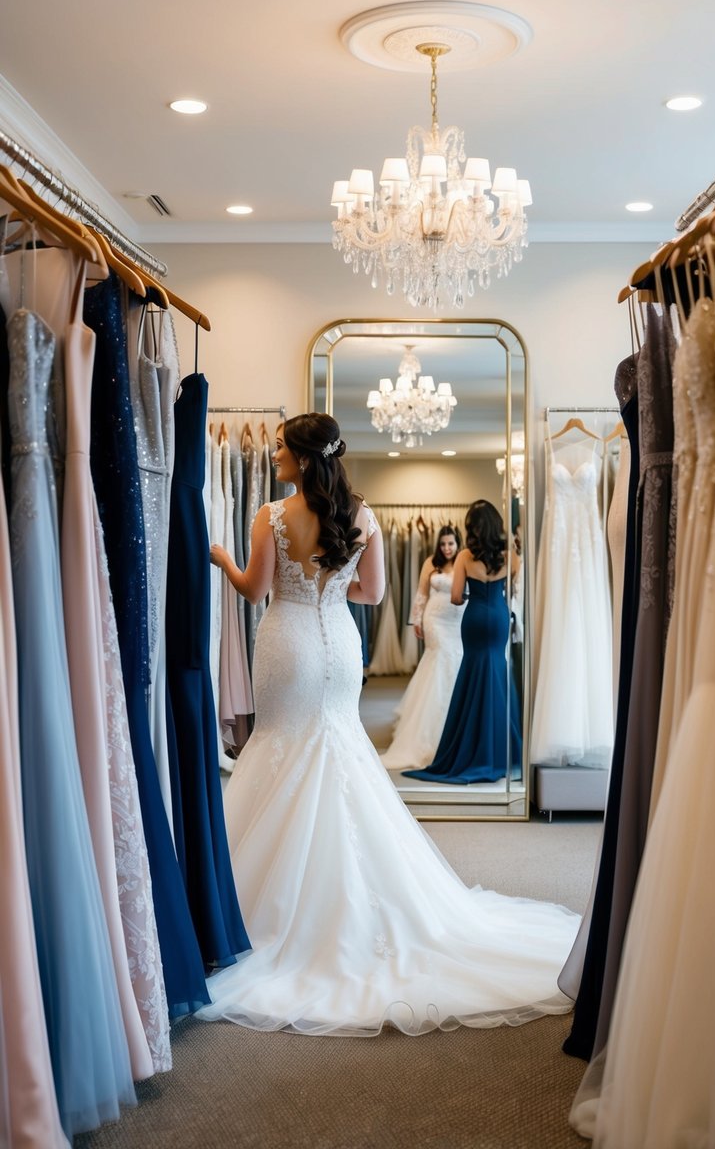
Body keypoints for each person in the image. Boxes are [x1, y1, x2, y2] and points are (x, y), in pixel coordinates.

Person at [199, 416, 578, 1036]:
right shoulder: (362, 515)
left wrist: (220, 558)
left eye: (279, 449)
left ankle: (259, 910)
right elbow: (374, 596)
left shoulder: (269, 515)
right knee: (340, 752)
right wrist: (334, 579)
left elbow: (253, 588)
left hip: (288, 644)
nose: (272, 457)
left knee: (279, 748)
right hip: (340, 649)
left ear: (299, 456)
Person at [404, 500, 523, 785]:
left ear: (472, 529)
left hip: (474, 618)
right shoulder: (511, 556)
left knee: (471, 674)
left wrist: (473, 596)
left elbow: (456, 597)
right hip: (497, 617)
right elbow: (515, 591)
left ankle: (469, 746)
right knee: (497, 672)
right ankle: (499, 750)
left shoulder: (465, 556)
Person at [381, 525, 466, 772]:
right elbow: (421, 594)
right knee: (439, 662)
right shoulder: (431, 563)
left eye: (451, 544)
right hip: (436, 621)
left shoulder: (463, 561)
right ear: (438, 545)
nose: (447, 548)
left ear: (457, 543)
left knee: (456, 664)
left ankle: (452, 725)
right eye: (443, 544)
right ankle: (427, 730)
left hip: (458, 622)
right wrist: (416, 620)